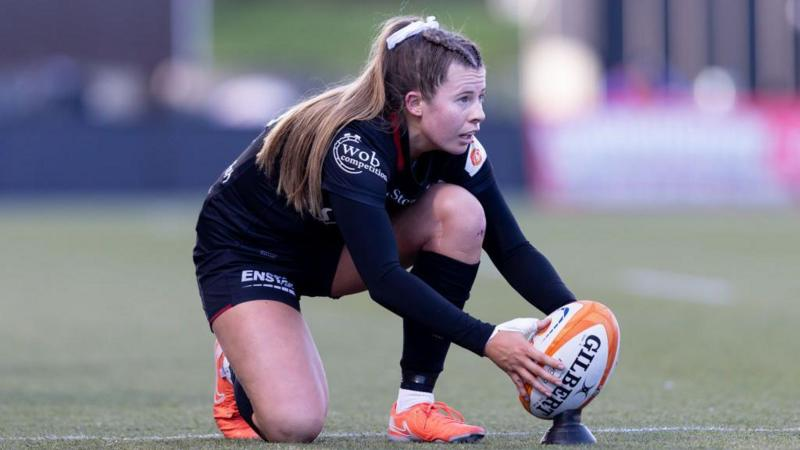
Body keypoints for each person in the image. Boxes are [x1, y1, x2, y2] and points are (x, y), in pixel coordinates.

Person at [193, 15, 576, 443]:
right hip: (248, 253)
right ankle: (236, 363)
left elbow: (512, 249)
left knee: (461, 212)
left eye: (481, 97)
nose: (479, 114)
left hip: (333, 246)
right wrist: (488, 340)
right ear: (415, 103)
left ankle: (414, 407)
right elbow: (384, 280)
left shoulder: (459, 147)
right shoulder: (355, 145)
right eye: (464, 99)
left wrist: (579, 316)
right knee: (294, 425)